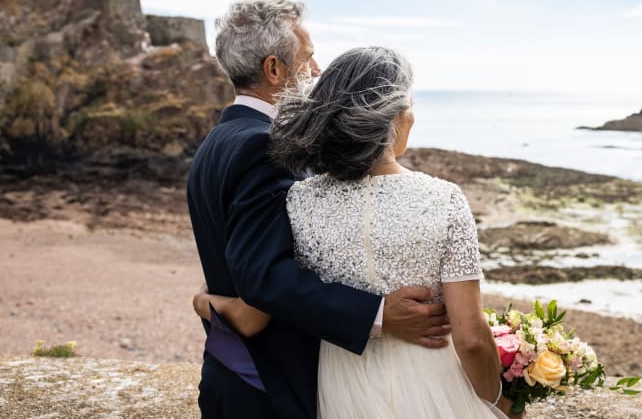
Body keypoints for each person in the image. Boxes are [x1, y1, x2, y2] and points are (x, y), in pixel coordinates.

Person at [196, 46, 520, 418]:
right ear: (396, 116)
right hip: (433, 385)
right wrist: (496, 401)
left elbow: (263, 301)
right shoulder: (444, 199)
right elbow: (472, 339)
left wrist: (206, 302)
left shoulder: (300, 200)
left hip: (342, 391)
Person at [187, 0, 450, 419]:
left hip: (230, 372)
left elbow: (236, 261)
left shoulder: (215, 143)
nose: (318, 71)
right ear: (274, 69)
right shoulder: (262, 145)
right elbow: (263, 277)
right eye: (308, 58)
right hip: (269, 389)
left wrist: (210, 304)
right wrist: (379, 315)